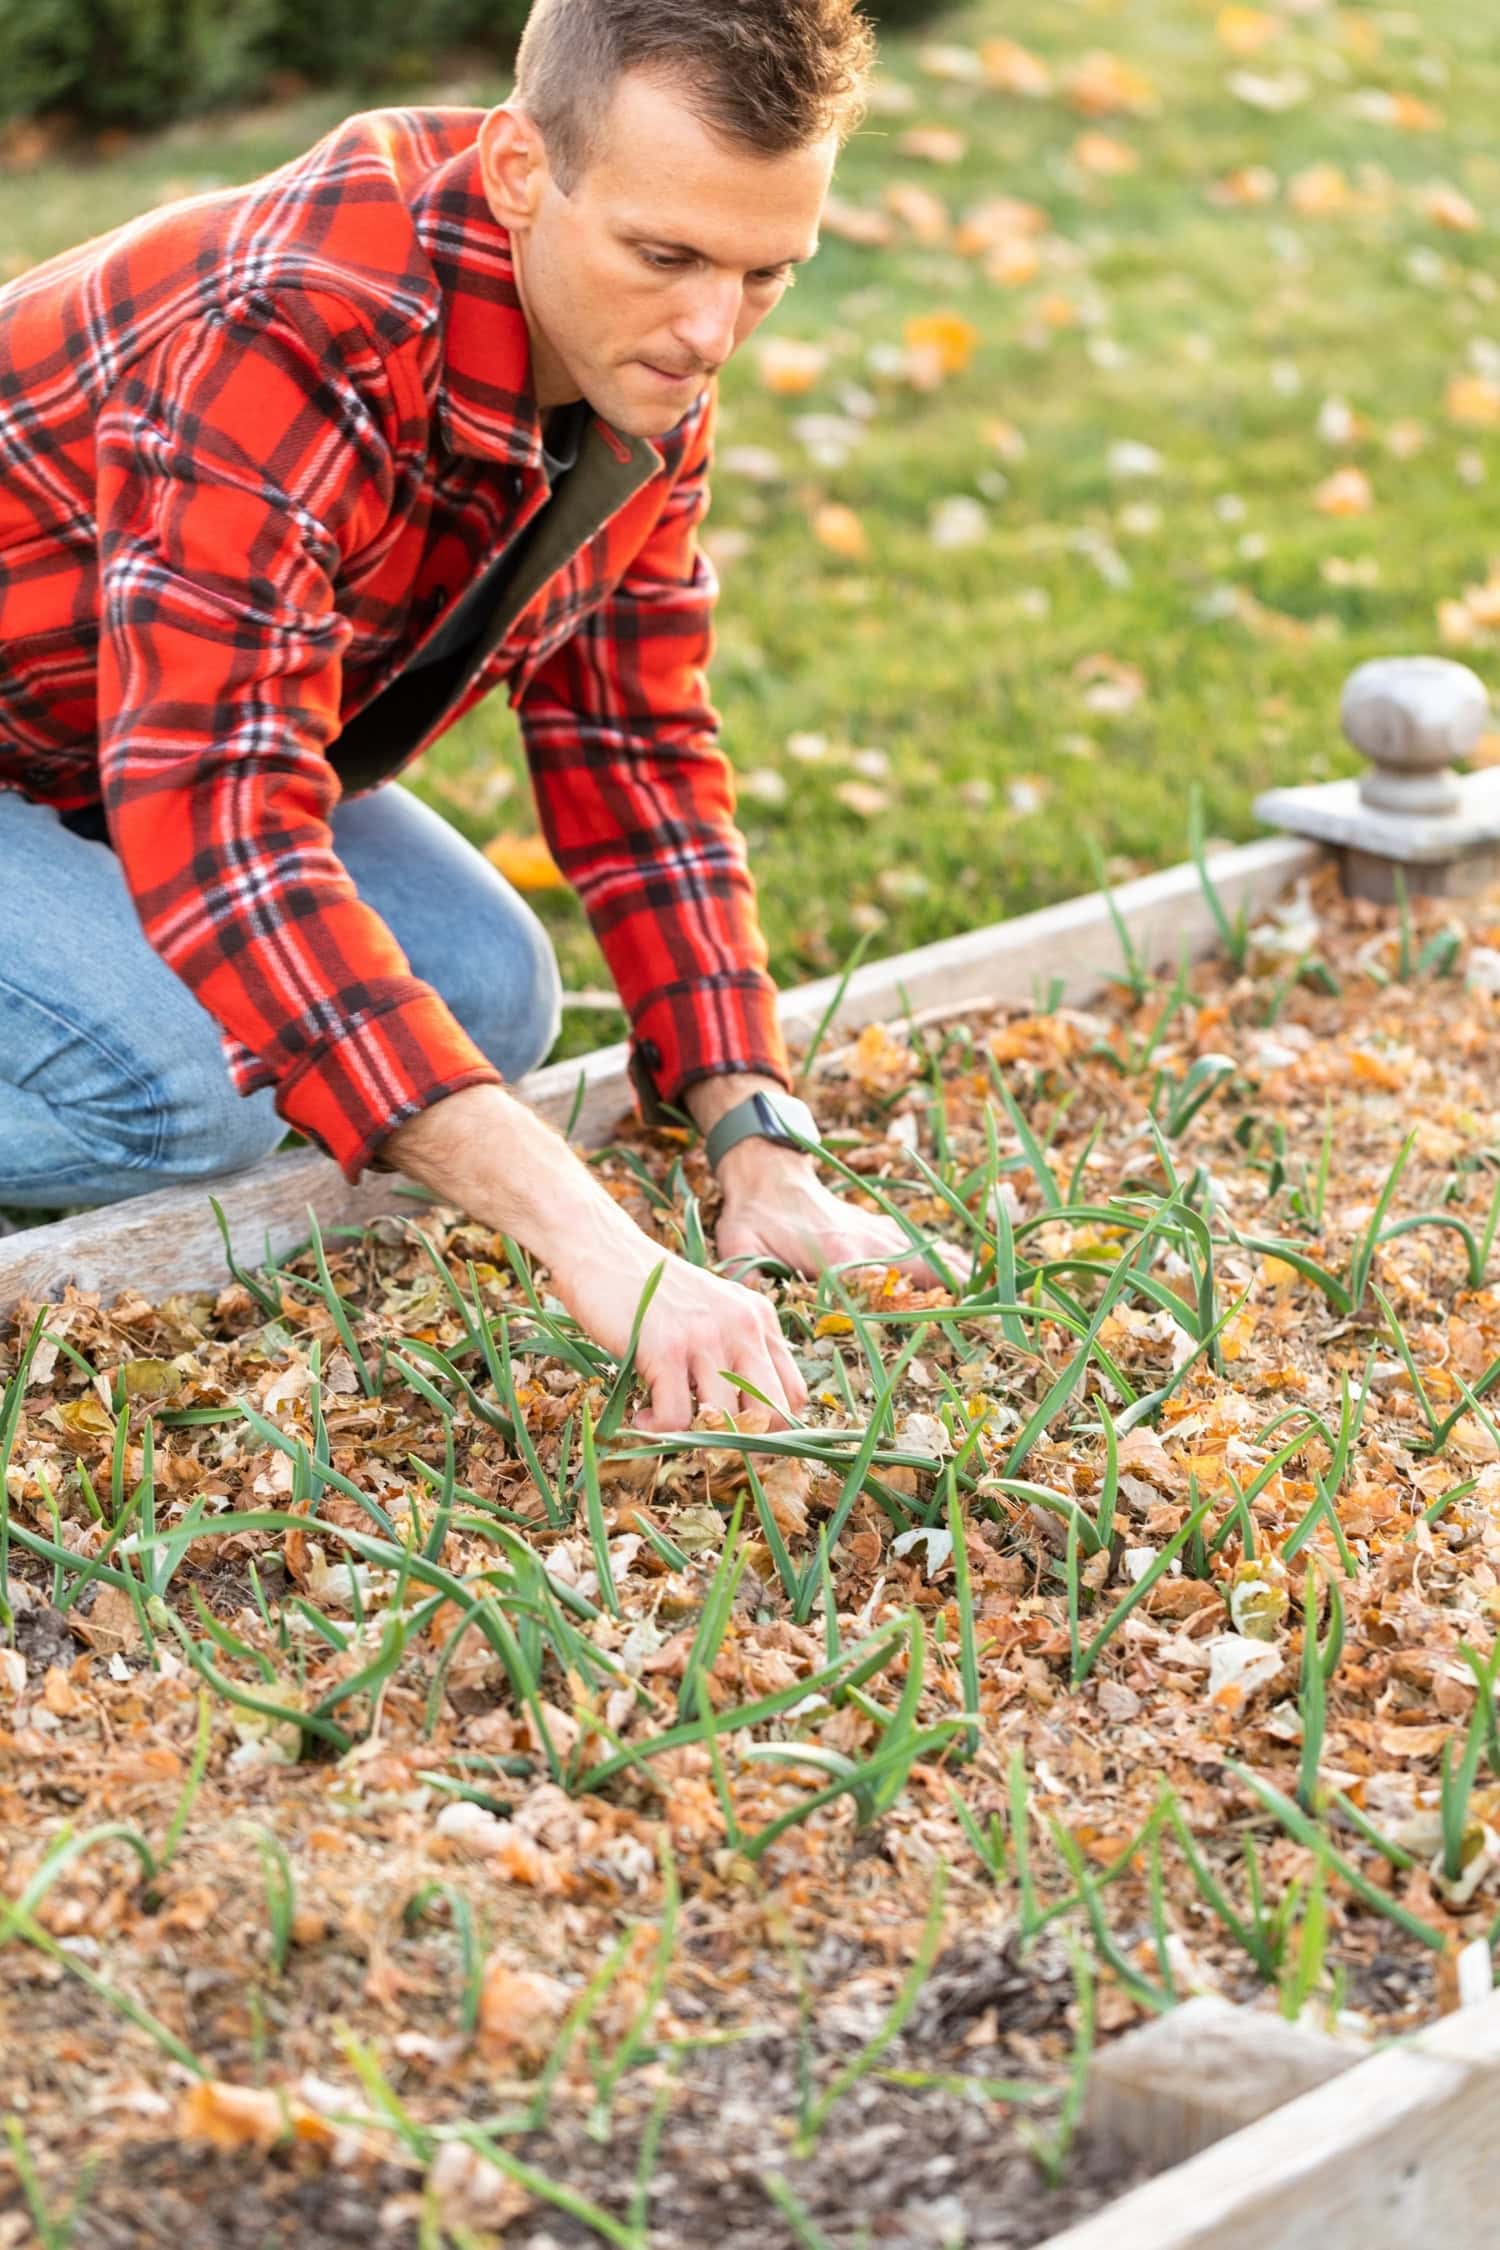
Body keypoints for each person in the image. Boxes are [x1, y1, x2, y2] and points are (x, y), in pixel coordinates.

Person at [0, 0, 938, 1432]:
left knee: (490, 992)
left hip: (99, 732)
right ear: (518, 169)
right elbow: (224, 826)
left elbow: (634, 749)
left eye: (767, 272)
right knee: (179, 1094)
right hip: (94, 745)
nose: (708, 331)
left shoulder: (638, 347)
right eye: (668, 255)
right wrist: (594, 1245)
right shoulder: (298, 323)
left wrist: (758, 1138)